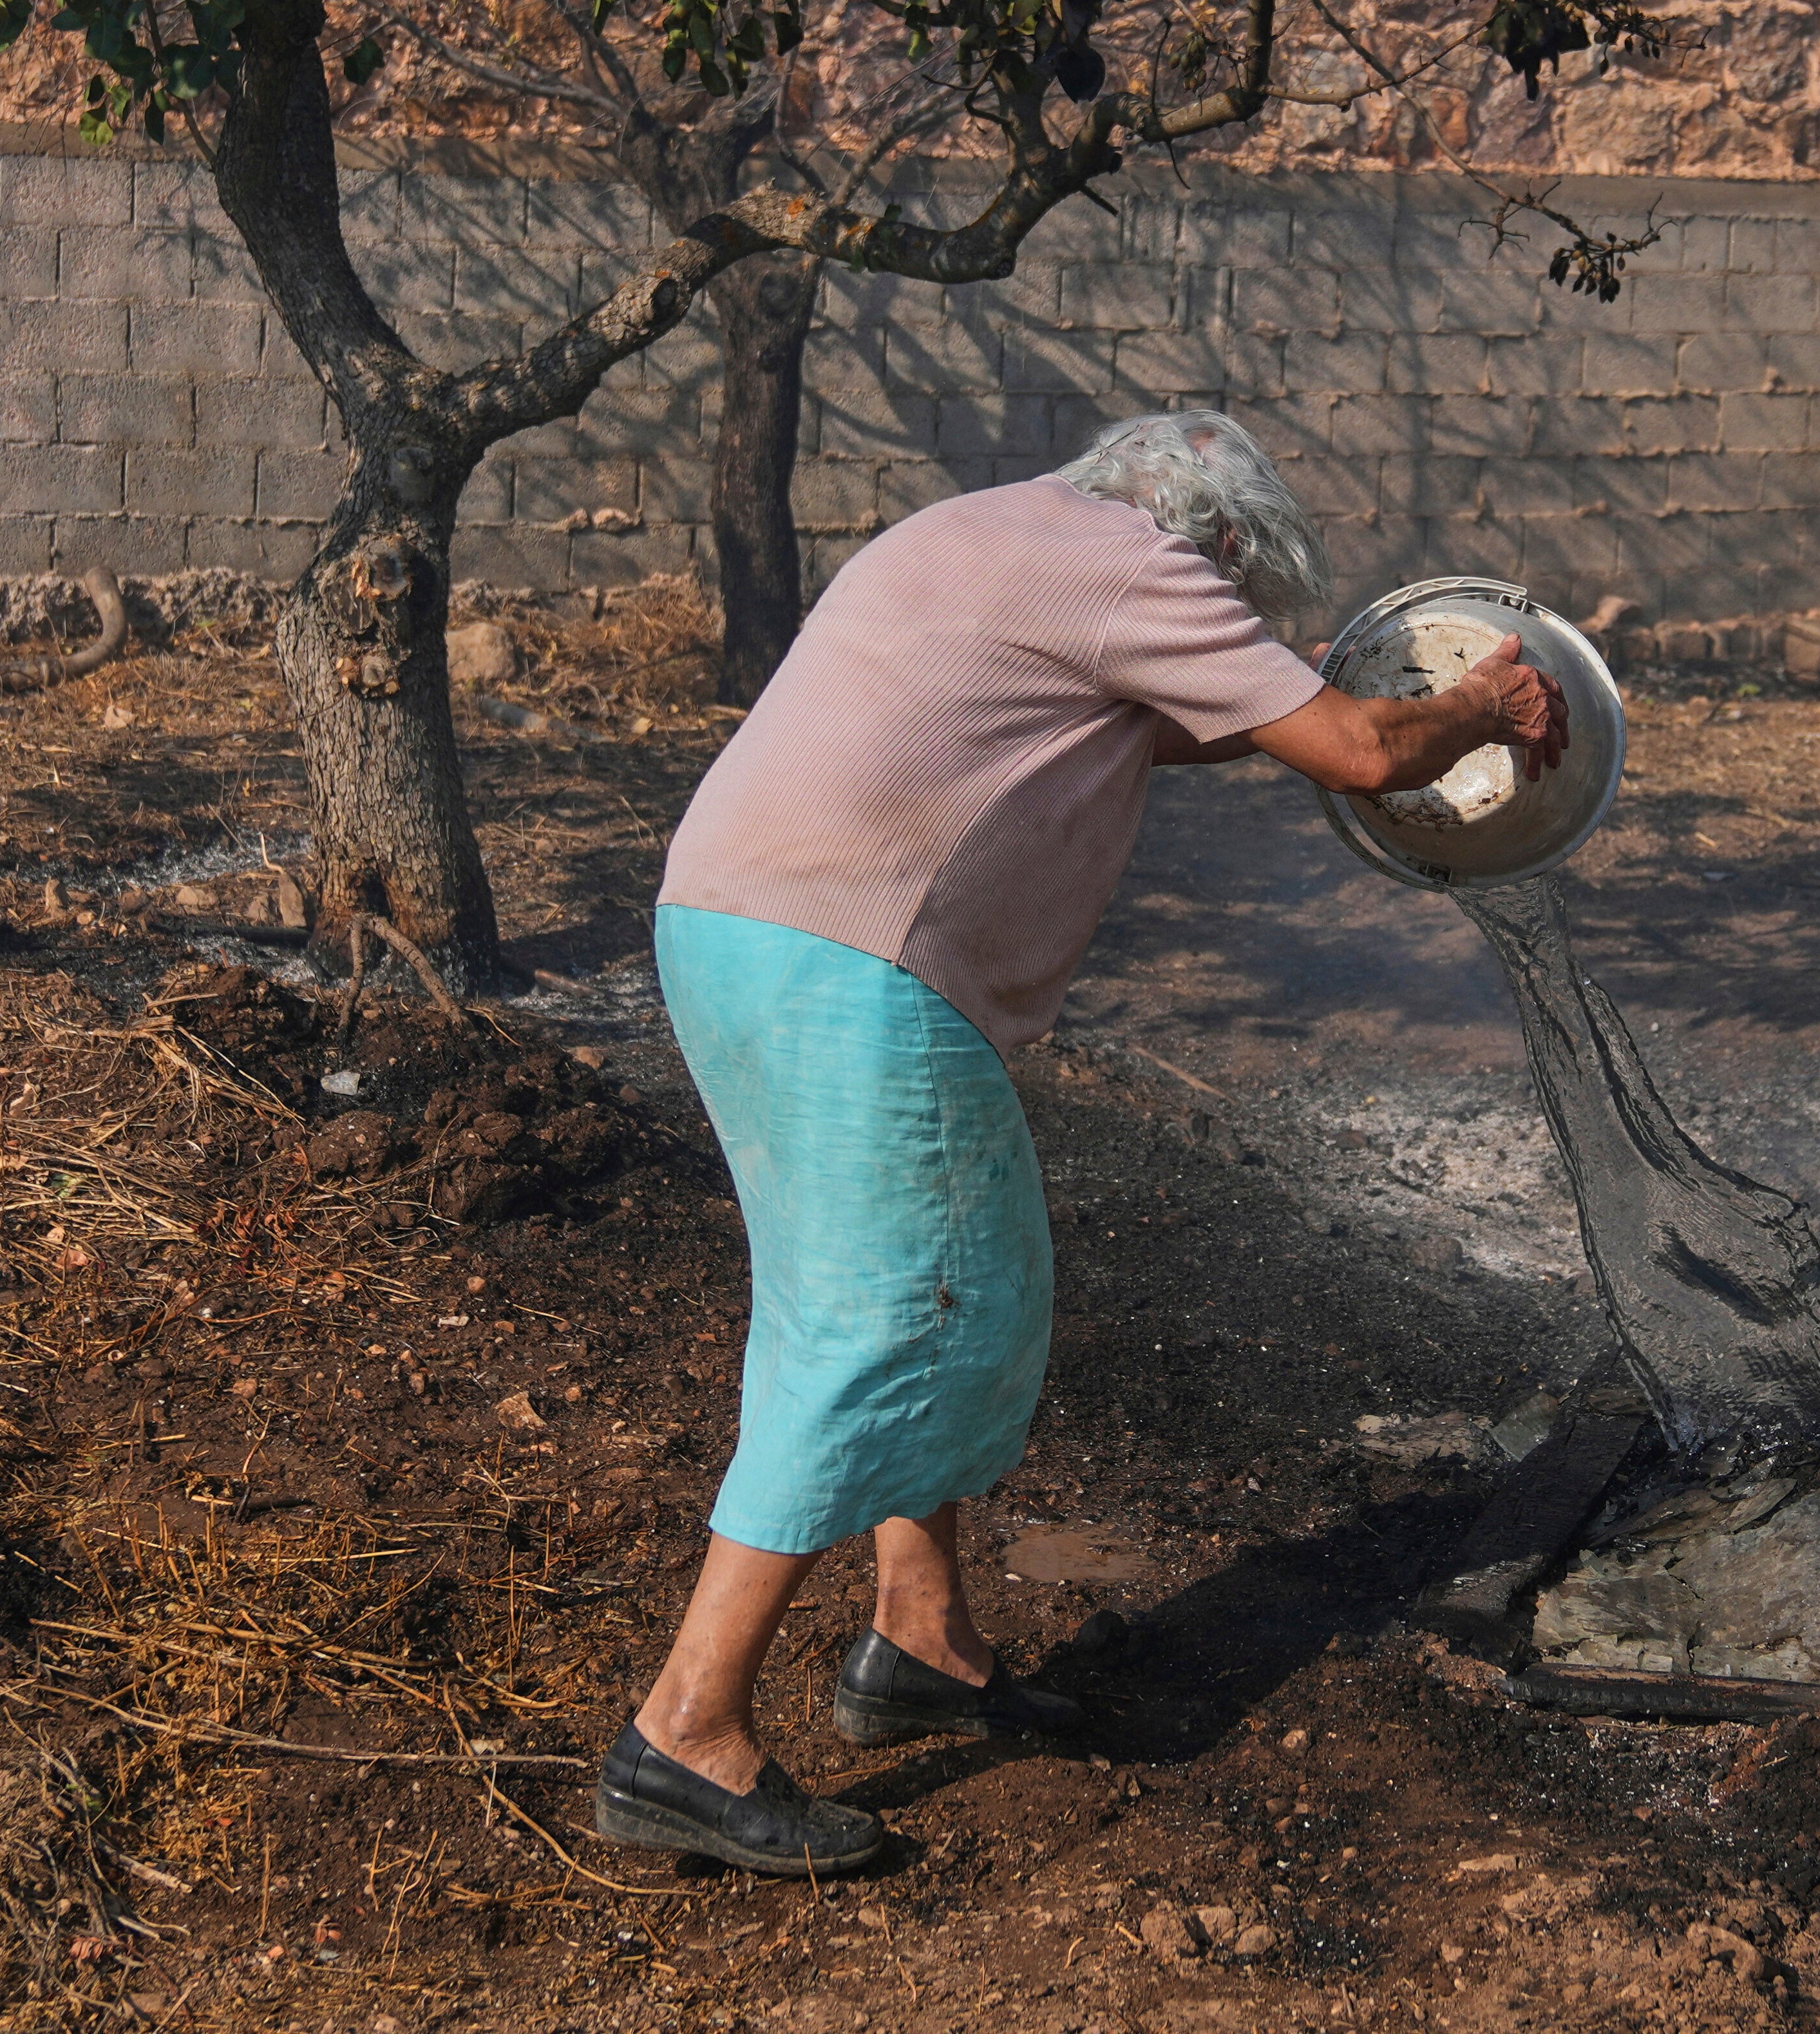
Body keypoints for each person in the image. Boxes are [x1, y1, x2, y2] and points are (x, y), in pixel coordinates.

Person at [593, 407, 1569, 1876]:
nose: (1231, 621)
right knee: (887, 1323)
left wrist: (1308, 713)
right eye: (1241, 597)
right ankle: (686, 1731)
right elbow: (1364, 751)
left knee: (873, 1302)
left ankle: (920, 1641)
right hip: (857, 967)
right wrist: (1489, 709)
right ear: (1220, 543)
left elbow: (1136, 728)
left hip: (731, 933)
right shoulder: (1136, 568)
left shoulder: (982, 531)